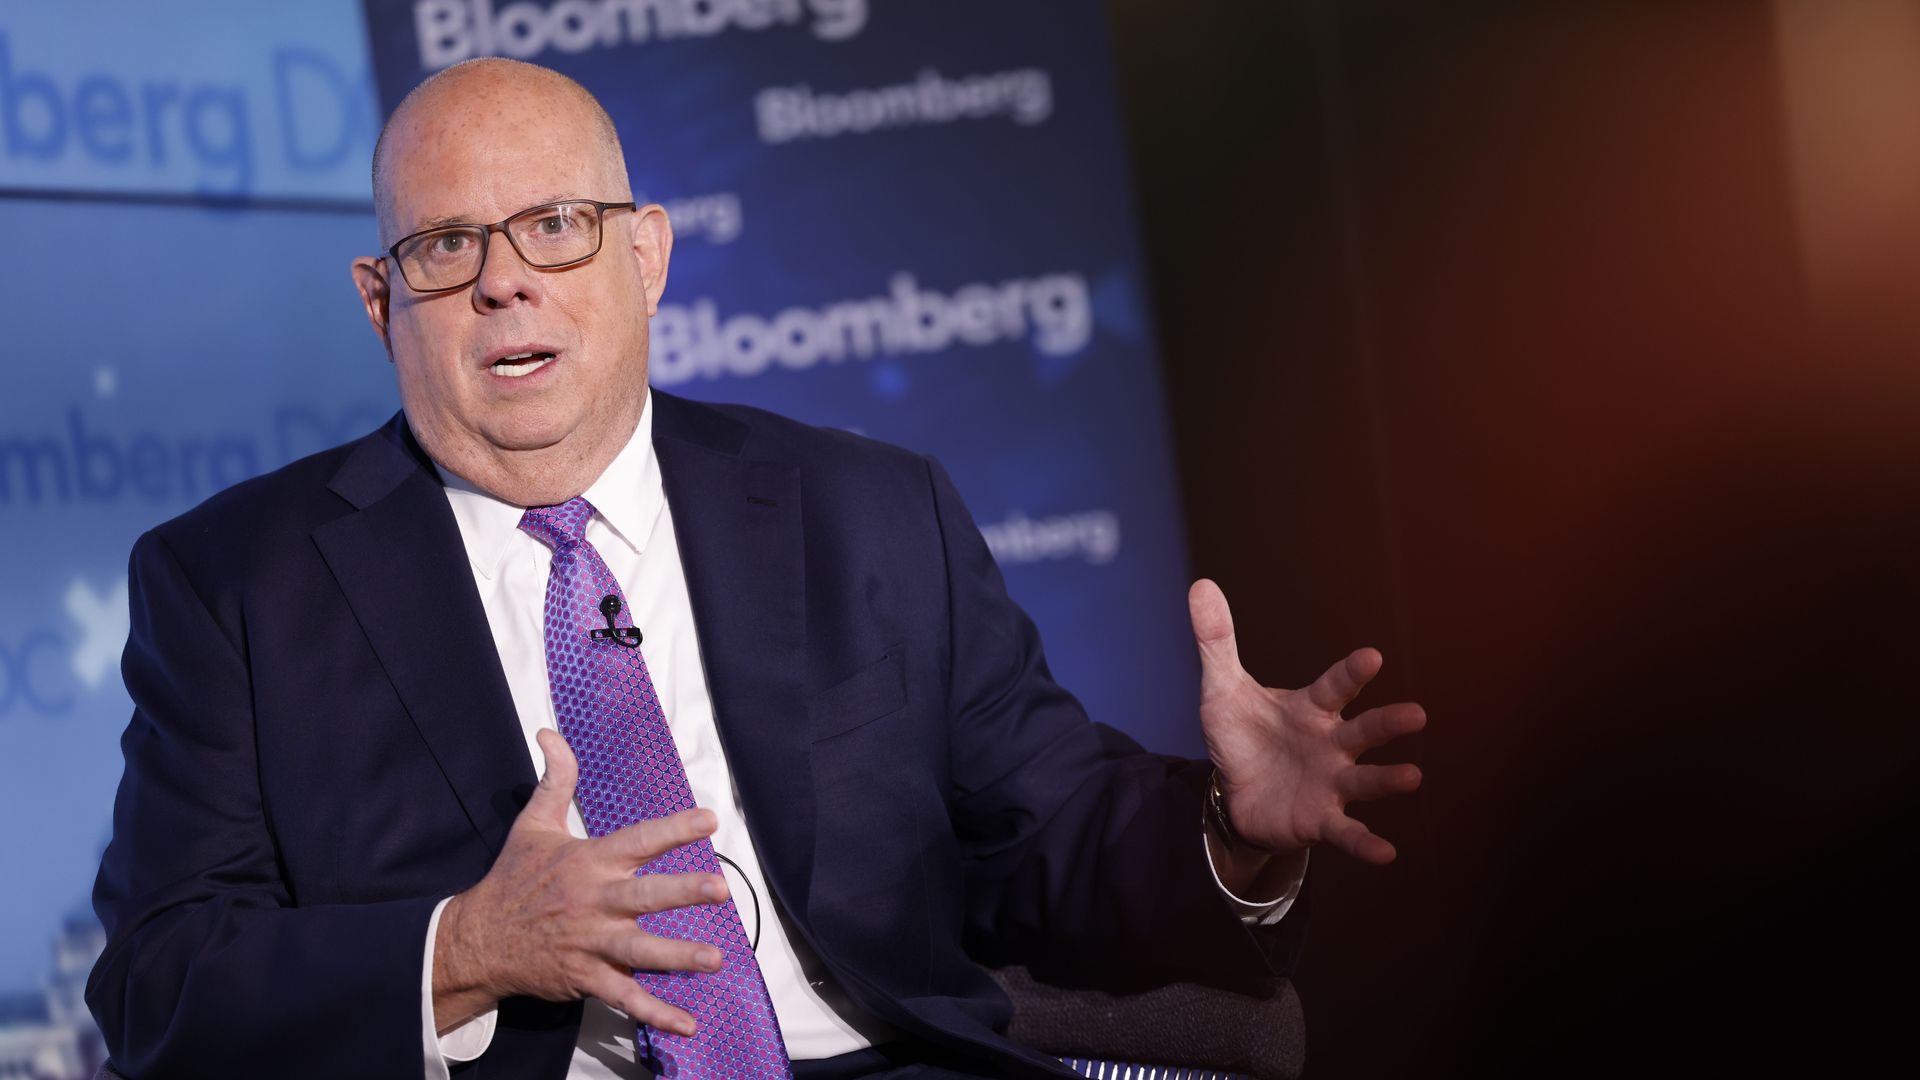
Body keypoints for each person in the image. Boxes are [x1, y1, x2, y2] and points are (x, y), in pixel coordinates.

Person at [86, 59, 1425, 1079]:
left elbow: (1045, 832)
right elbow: (158, 983)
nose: (505, 285)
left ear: (645, 256)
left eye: (554, 224)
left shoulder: (865, 509)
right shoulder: (237, 588)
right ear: (383, 302)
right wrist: (469, 948)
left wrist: (1231, 832)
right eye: (448, 249)